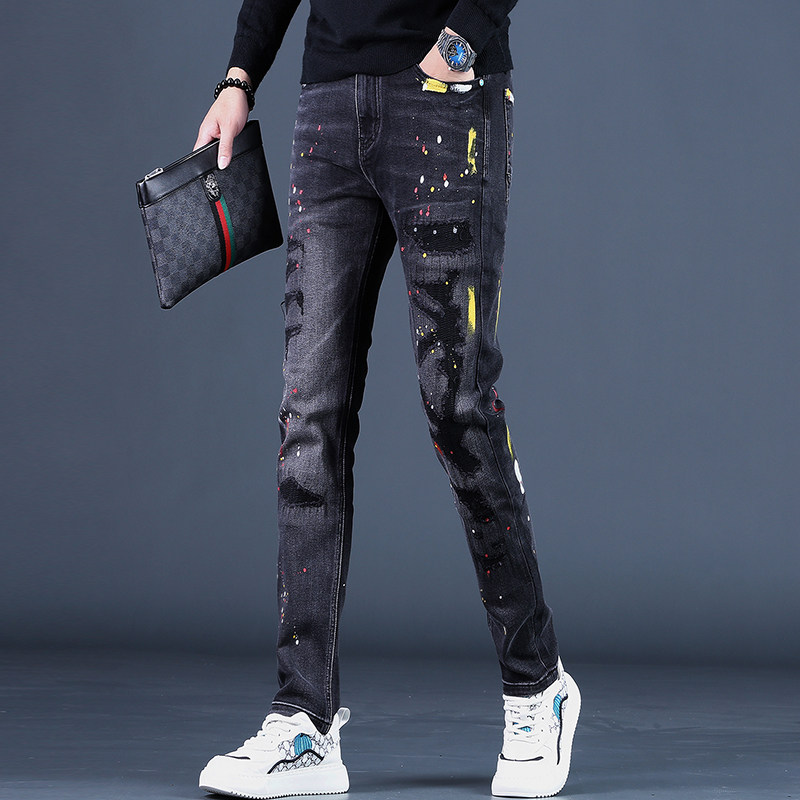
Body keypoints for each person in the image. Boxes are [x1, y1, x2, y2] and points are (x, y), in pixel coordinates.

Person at [193, 1, 580, 797]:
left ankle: (537, 687)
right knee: (308, 417)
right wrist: (239, 77)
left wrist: (459, 42)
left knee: (458, 407)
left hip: (443, 96)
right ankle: (303, 722)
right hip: (328, 104)